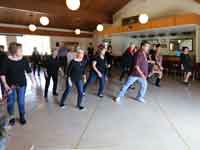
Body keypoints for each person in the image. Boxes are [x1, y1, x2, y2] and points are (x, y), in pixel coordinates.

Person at [0, 42, 35, 126]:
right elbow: (2, 74)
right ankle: (11, 117)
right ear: (14, 51)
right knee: (10, 102)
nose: (22, 52)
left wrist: (33, 82)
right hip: (10, 86)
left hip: (22, 84)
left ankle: (22, 116)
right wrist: (5, 85)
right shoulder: (6, 60)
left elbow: (29, 71)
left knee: (21, 102)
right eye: (20, 50)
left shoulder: (24, 59)